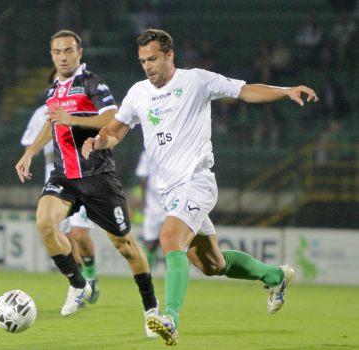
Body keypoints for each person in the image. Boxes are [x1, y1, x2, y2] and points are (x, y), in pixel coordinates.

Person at [82, 29, 318, 346]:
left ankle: (170, 320)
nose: (147, 66)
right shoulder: (138, 93)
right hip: (169, 194)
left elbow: (245, 91)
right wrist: (98, 141)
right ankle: (274, 276)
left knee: (169, 239)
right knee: (211, 264)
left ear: (169, 55)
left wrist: (286, 90)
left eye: (152, 58)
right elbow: (116, 131)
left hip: (197, 181)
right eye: (142, 61)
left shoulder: (196, 81)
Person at [15, 30, 159, 338]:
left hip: (97, 176)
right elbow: (51, 122)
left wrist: (74, 118)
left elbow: (112, 116)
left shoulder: (92, 83)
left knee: (126, 246)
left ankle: (151, 309)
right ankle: (79, 284)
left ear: (80, 53)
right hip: (64, 175)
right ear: (52, 55)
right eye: (57, 51)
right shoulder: (53, 87)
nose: (63, 56)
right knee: (44, 222)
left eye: (68, 50)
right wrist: (30, 152)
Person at [20, 69, 101, 305]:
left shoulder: (80, 106)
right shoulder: (39, 115)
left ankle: (91, 273)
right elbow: (29, 145)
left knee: (81, 235)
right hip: (56, 181)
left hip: (82, 176)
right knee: (67, 237)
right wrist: (27, 160)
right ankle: (81, 284)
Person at [135, 151, 165, 270]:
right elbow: (143, 179)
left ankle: (144, 273)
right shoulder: (147, 153)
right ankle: (145, 273)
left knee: (172, 241)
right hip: (153, 205)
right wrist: (143, 201)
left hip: (170, 204)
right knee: (151, 243)